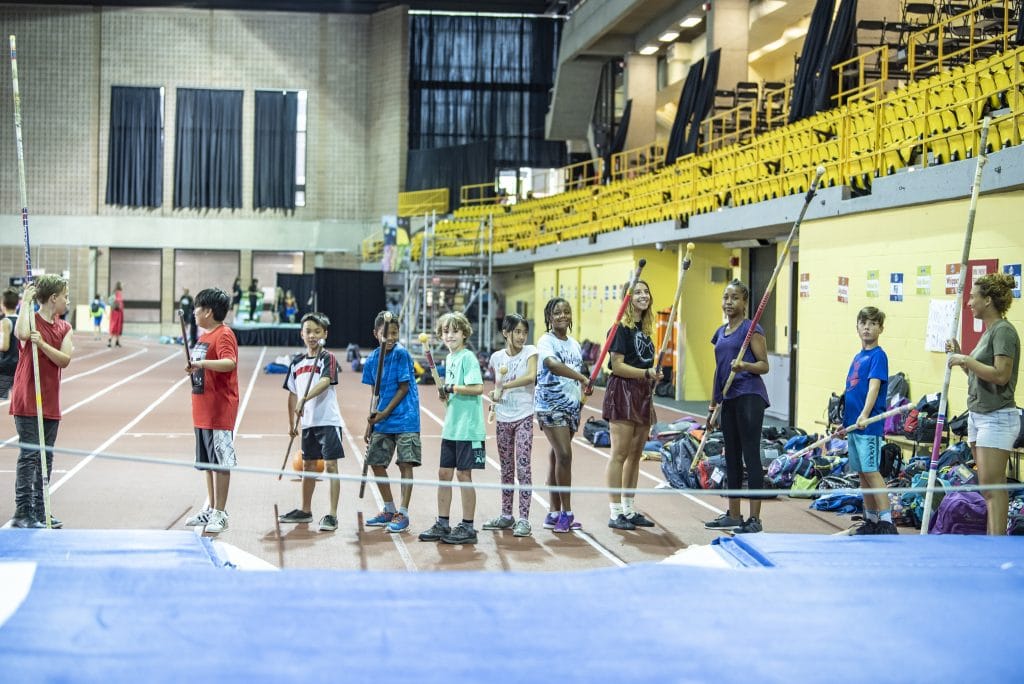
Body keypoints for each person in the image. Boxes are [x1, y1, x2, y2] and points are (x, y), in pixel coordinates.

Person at [946, 272, 1020, 535]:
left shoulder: (1003, 331)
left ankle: (996, 544)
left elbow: (1001, 375)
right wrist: (960, 356)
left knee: (992, 487)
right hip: (979, 415)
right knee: (987, 486)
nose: (968, 303)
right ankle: (993, 539)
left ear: (988, 300)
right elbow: (978, 375)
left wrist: (966, 359)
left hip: (997, 416)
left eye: (973, 297)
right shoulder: (989, 332)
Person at [703, 279, 770, 534]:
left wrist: (744, 366)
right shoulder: (720, 333)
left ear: (744, 302)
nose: (729, 302)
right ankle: (733, 514)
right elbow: (718, 371)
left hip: (750, 396)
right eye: (726, 297)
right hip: (728, 398)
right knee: (730, 456)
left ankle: (754, 519)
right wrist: (713, 406)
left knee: (750, 455)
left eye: (735, 298)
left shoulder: (752, 329)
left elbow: (764, 365)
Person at [9, 275, 73, 528]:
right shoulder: (31, 321)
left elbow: (64, 360)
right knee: (30, 455)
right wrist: (26, 301)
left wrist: (43, 344)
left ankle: (41, 510)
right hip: (28, 398)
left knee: (46, 458)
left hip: (50, 400)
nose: (68, 301)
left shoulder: (64, 328)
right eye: (65, 296)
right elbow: (22, 333)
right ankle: (23, 512)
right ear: (54, 298)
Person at [418, 312, 486, 545]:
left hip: (468, 428)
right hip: (452, 427)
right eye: (446, 331)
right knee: (444, 474)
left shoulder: (468, 357)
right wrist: (445, 394)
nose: (450, 335)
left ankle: (468, 527)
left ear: (464, 333)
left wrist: (451, 388)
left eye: (455, 331)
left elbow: (477, 388)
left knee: (463, 475)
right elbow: (452, 391)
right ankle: (443, 523)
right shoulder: (450, 358)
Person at [603, 280, 662, 530]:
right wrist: (646, 373)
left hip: (643, 393)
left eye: (646, 291)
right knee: (620, 453)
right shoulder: (619, 329)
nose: (643, 295)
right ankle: (615, 511)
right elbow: (617, 366)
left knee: (636, 455)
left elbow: (643, 363)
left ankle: (628, 509)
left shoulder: (645, 330)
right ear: (627, 298)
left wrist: (653, 375)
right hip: (623, 392)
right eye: (637, 292)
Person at [278, 312, 344, 532]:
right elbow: (292, 394)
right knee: (308, 466)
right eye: (308, 331)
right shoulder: (296, 362)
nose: (312, 335)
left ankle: (332, 515)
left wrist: (305, 398)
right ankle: (305, 511)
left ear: (325, 334)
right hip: (308, 424)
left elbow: (325, 381)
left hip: (327, 420)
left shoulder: (327, 358)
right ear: (301, 334)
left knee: (331, 465)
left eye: (317, 331)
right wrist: (291, 424)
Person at [183, 288, 239, 535]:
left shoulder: (224, 334)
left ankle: (221, 513)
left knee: (221, 463)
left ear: (207, 311)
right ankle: (212, 508)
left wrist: (201, 364)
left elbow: (229, 363)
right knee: (207, 463)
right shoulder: (204, 337)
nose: (194, 312)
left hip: (219, 409)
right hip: (202, 408)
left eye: (197, 307)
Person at [535, 297, 591, 533]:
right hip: (550, 405)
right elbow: (552, 364)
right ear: (549, 317)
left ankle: (553, 513)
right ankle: (566, 513)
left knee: (557, 456)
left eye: (566, 312)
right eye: (557, 312)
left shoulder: (575, 344)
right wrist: (581, 378)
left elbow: (576, 371)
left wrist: (584, 386)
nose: (562, 316)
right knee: (565, 455)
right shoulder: (545, 341)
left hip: (571, 406)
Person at [362, 311, 421, 534]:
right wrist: (370, 423)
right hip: (382, 420)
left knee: (406, 463)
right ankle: (389, 508)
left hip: (405, 418)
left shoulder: (401, 354)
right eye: (386, 334)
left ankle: (403, 513)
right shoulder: (371, 360)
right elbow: (374, 394)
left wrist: (384, 414)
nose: (391, 338)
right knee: (375, 462)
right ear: (375, 334)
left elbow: (404, 388)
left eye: (395, 333)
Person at [841, 307, 896, 535]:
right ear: (857, 327)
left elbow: (874, 387)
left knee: (872, 471)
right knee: (862, 473)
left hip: (868, 425)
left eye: (873, 323)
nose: (867, 327)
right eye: (863, 323)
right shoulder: (858, 357)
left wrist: (865, 415)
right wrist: (845, 422)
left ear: (880, 328)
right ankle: (871, 519)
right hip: (854, 425)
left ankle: (887, 521)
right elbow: (852, 390)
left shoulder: (878, 356)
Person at [483, 313, 538, 537]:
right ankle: (506, 515)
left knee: (523, 468)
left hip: (524, 416)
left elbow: (531, 377)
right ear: (505, 333)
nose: (522, 336)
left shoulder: (530, 352)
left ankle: (524, 519)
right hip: (503, 418)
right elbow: (496, 386)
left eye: (524, 332)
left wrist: (505, 386)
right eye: (517, 332)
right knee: (506, 469)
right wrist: (495, 397)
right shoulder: (496, 358)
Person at [0, 288, 21, 399]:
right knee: (16, 396)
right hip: (19, 363)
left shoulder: (5, 322)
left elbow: (4, 346)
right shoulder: (21, 320)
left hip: (6, 365)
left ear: (2, 305)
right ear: (17, 304)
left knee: (1, 396)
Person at [107, 281, 124, 348]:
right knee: (116, 326)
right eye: (122, 285)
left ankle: (116, 341)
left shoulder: (114, 292)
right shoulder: (118, 293)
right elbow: (118, 301)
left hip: (114, 311)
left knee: (115, 326)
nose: (123, 286)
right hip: (117, 312)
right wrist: (120, 306)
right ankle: (111, 340)